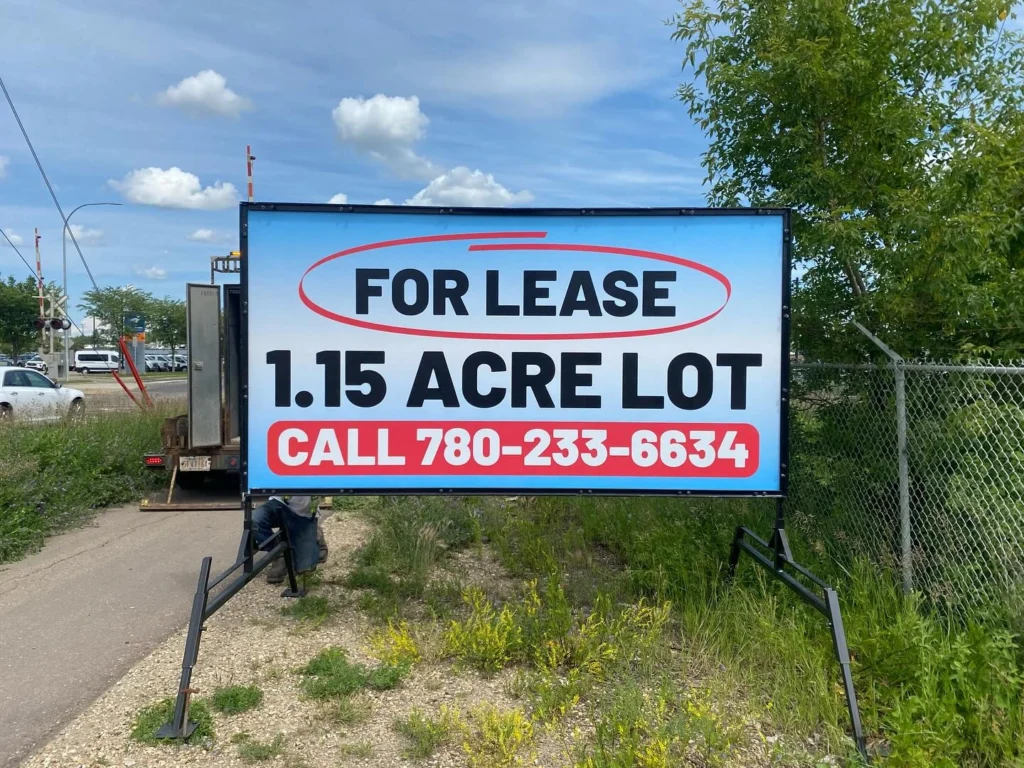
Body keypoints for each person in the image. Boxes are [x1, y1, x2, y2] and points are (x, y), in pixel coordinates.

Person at [251, 495, 329, 584]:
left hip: (304, 514)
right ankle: (278, 554)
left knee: (304, 568)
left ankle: (317, 534)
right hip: (280, 503)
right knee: (256, 520)